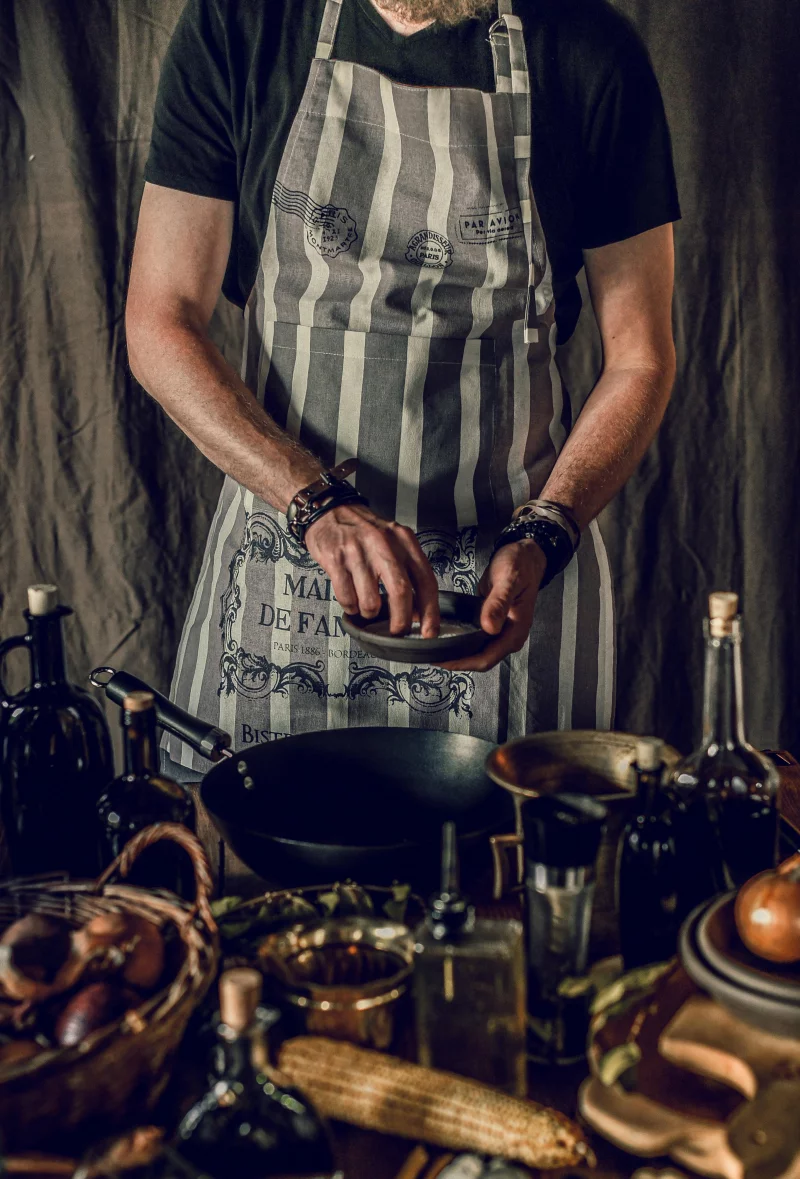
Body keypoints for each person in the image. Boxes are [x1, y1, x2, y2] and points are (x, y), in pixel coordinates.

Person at [126, 0, 679, 777]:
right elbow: (160, 322)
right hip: (286, 577)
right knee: (262, 885)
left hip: (510, 590)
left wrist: (547, 532)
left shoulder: (592, 51)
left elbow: (641, 357)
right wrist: (316, 503)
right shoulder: (239, 25)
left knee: (519, 887)